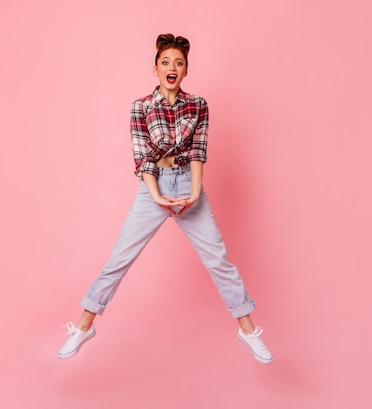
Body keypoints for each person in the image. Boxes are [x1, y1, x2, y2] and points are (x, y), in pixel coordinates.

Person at [58, 33, 272, 364]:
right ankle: (84, 326)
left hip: (188, 183)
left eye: (179, 63)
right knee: (120, 258)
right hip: (153, 186)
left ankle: (247, 329)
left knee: (218, 260)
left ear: (186, 70)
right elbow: (142, 155)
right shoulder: (140, 106)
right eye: (165, 62)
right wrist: (156, 195)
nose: (172, 67)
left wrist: (196, 193)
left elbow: (199, 150)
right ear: (155, 68)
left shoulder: (198, 105)